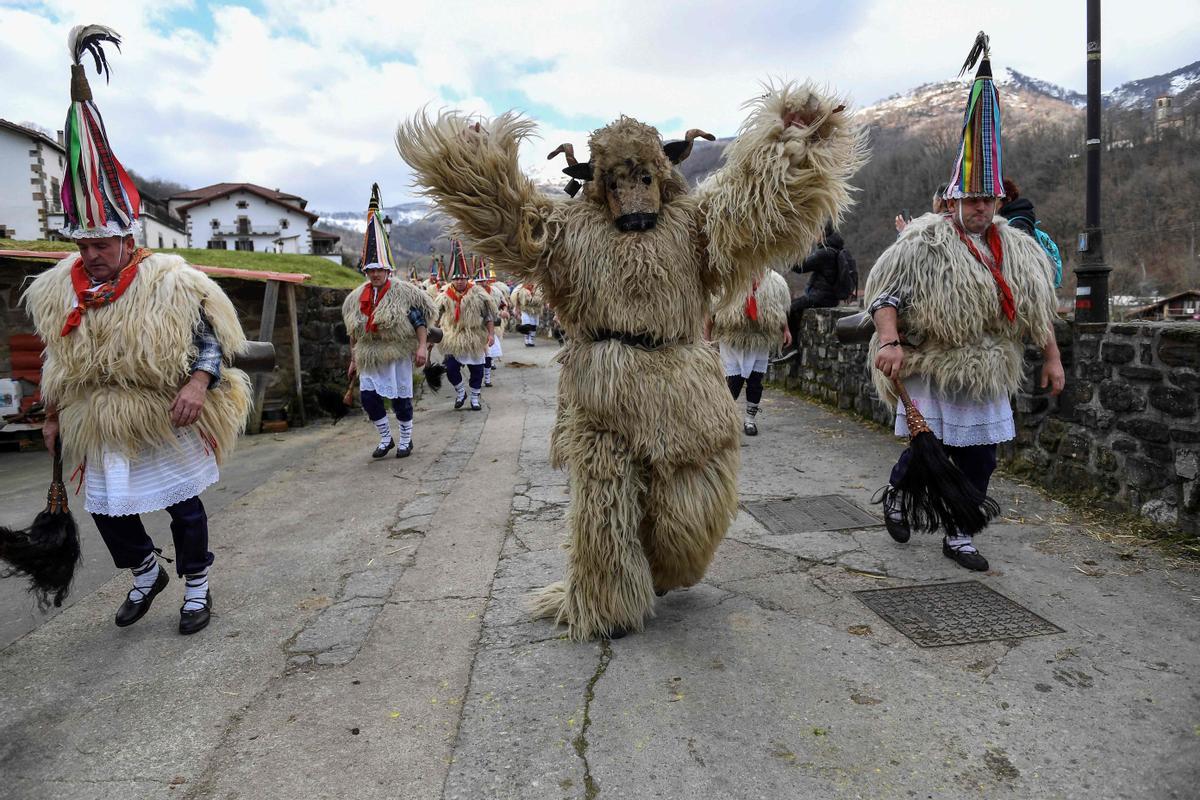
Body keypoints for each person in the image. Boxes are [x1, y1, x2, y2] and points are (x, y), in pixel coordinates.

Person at [396, 80, 865, 640]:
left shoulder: (697, 223)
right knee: (604, 504)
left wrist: (792, 142)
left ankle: (666, 569)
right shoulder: (572, 228)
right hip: (602, 385)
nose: (632, 195)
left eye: (643, 178)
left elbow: (756, 207)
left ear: (661, 176)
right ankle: (607, 600)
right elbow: (513, 222)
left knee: (689, 518)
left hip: (681, 383)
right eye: (617, 181)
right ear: (601, 184)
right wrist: (475, 164)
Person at [22, 25, 251, 635]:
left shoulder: (170, 281)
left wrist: (199, 385)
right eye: (84, 243)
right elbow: (57, 356)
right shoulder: (57, 288)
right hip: (96, 412)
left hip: (159, 406)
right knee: (106, 508)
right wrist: (51, 415)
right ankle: (146, 571)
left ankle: (197, 586)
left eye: (102, 244)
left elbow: (209, 339)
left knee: (182, 504)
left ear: (127, 239)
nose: (91, 254)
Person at [865, 32, 1064, 572]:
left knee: (981, 456)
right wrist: (889, 339)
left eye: (988, 199)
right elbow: (884, 293)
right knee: (928, 450)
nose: (979, 208)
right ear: (953, 197)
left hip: (988, 369)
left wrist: (1051, 358)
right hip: (934, 364)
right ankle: (901, 492)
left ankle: (960, 533)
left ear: (999, 199)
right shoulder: (924, 240)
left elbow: (1036, 310)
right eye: (970, 199)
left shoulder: (1018, 250)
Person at [342, 184, 433, 459]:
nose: (375, 274)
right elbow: (354, 331)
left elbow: (419, 322)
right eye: (371, 270)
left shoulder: (404, 293)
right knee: (370, 399)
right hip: (370, 355)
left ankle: (406, 439)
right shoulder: (357, 297)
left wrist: (420, 347)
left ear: (388, 269)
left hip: (396, 354)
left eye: (380, 269)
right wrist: (354, 359)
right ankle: (386, 438)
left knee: (400, 399)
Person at [707, 268, 791, 435]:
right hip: (733, 339)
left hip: (760, 339)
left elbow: (779, 310)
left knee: (755, 381)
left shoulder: (774, 281)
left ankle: (750, 421)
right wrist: (707, 338)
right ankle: (725, 419)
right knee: (733, 381)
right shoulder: (728, 279)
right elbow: (711, 313)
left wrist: (786, 330)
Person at [433, 241, 497, 411]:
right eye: (456, 278)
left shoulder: (478, 294)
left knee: (477, 370)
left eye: (462, 278)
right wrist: (431, 337)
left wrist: (490, 335)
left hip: (474, 336)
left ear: (467, 278)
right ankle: (461, 392)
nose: (459, 281)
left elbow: (489, 316)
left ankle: (475, 397)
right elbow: (435, 317)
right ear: (451, 279)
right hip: (452, 336)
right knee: (451, 368)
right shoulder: (444, 296)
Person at [773, 221, 848, 364]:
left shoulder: (824, 252)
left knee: (788, 308)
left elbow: (801, 267)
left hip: (820, 297)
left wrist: (787, 254)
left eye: (816, 232)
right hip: (829, 297)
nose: (814, 236)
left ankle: (790, 347)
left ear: (822, 233)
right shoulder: (835, 250)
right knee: (793, 307)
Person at [511, 281, 544, 346]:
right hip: (525, 309)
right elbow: (518, 300)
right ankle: (526, 340)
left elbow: (541, 298)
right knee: (527, 325)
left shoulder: (537, 289)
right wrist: (517, 309)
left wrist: (543, 305)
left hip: (535, 310)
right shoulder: (521, 289)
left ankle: (531, 341)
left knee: (533, 325)